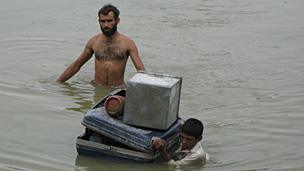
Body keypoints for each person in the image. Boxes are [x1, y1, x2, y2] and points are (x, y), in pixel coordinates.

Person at [57, 4, 145, 86]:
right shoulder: (94, 42)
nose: (106, 25)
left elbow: (141, 72)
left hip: (117, 90)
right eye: (102, 21)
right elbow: (76, 65)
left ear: (117, 21)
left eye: (109, 21)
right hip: (97, 87)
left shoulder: (127, 43)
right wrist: (58, 83)